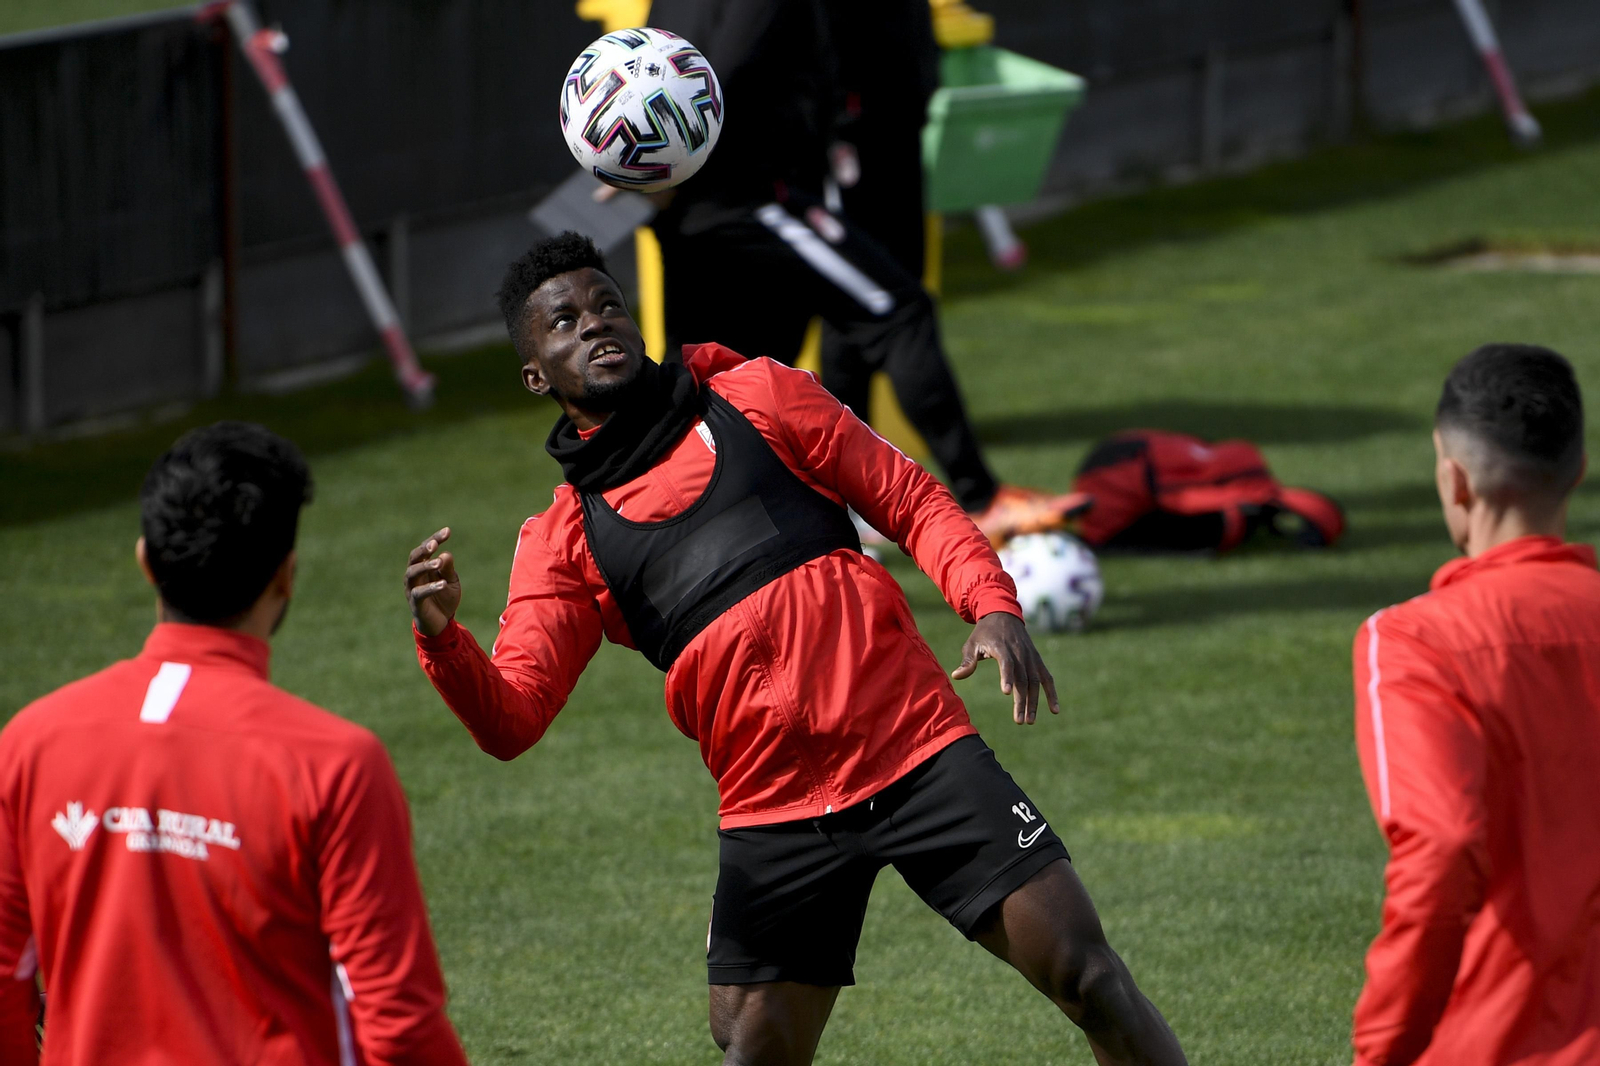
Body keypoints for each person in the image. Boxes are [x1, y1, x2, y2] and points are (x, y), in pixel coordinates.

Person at [405, 232, 1184, 1066]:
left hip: (913, 749)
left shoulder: (757, 396)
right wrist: (443, 638)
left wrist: (991, 605)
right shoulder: (564, 540)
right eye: (565, 321)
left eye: (608, 305)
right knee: (748, 1047)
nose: (597, 324)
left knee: (1089, 977)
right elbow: (512, 718)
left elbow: (910, 499)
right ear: (536, 375)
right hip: (773, 807)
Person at [0, 423, 470, 1066]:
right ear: (286, 576)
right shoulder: (334, 766)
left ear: (146, 562)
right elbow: (401, 1028)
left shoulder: (30, 743)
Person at [644, 0, 1088, 545]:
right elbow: (728, 68)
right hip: (748, 195)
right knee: (895, 309)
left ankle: (756, 528)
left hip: (720, 194)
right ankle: (980, 499)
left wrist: (643, 165)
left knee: (731, 375)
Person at [1351, 343, 1600, 1066]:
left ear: (1453, 480)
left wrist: (1385, 1050)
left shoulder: (1412, 642)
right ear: (1577, 471)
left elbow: (1443, 846)